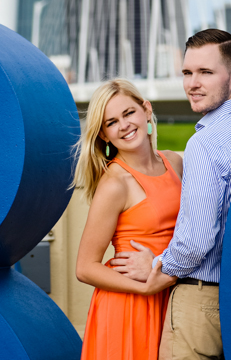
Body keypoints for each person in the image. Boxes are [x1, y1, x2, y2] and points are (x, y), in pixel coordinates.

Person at [110, 29, 231, 360]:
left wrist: (157, 269)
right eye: (187, 72)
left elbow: (196, 240)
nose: (193, 83)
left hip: (200, 301)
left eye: (206, 72)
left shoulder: (205, 143)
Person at [74, 79, 184, 360]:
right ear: (104, 135)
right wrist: (146, 286)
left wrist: (160, 271)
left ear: (146, 110)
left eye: (128, 113)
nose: (123, 125)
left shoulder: (176, 163)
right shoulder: (115, 184)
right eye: (111, 122)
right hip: (129, 305)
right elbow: (85, 268)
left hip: (171, 296)